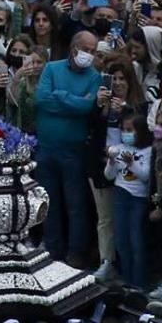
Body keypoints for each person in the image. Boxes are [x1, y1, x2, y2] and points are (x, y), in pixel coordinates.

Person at [33, 31, 101, 268]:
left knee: (76, 206)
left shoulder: (94, 77)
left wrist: (59, 96)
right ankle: (53, 250)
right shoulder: (52, 68)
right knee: (49, 203)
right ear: (74, 48)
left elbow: (87, 107)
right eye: (86, 49)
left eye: (93, 51)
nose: (89, 55)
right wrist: (72, 99)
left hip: (74, 151)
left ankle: (76, 254)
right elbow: (41, 99)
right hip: (46, 148)